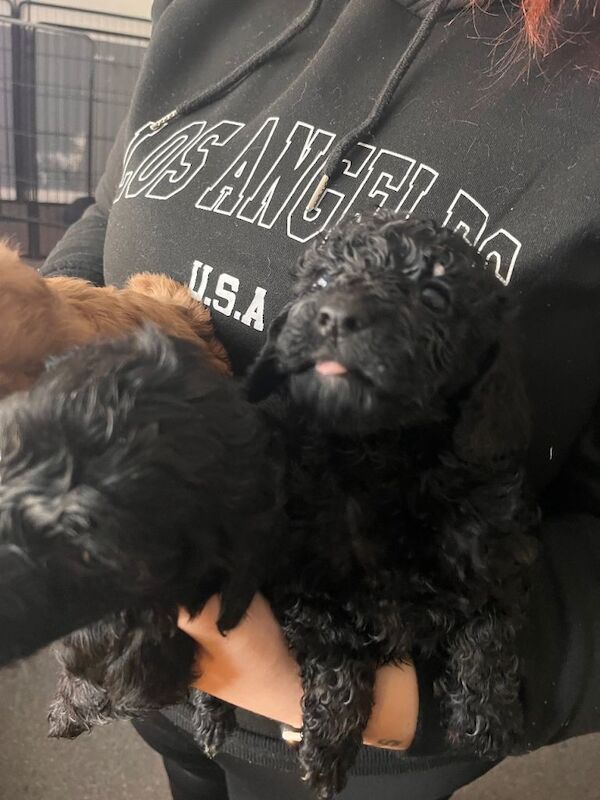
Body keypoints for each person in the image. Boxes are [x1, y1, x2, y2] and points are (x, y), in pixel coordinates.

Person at [41, 0, 600, 797]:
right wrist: (37, 343)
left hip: (372, 719)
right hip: (152, 655)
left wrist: (375, 694)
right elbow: (113, 207)